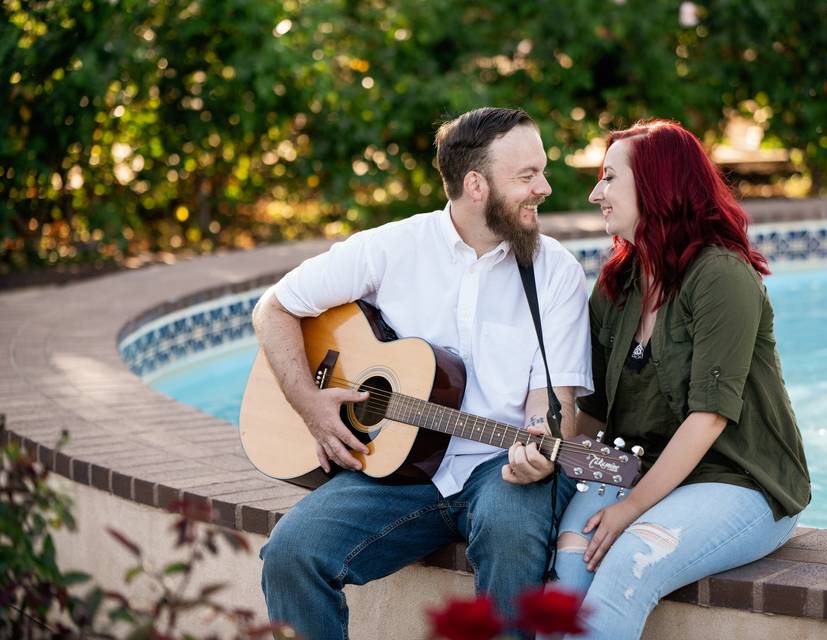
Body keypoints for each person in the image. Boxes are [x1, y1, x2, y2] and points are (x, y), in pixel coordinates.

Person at [253, 107, 593, 639]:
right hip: (397, 470)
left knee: (511, 531)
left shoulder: (554, 272)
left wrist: (544, 445)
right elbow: (274, 309)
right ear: (475, 184)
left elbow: (553, 406)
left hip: (500, 468)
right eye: (527, 176)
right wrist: (311, 406)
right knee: (291, 553)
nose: (544, 187)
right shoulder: (390, 248)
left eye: (541, 171)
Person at [554, 119, 811, 639]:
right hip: (640, 469)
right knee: (566, 571)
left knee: (629, 564)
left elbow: (709, 416)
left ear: (656, 185)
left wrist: (629, 508)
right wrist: (540, 440)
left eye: (609, 178)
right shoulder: (616, 286)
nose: (595, 193)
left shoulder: (720, 275)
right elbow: (594, 419)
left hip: (739, 480)